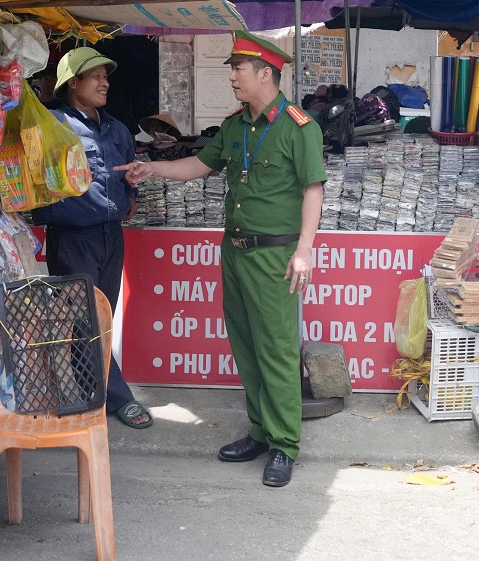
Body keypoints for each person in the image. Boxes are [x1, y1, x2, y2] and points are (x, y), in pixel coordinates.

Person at [116, 30, 326, 488]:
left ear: (265, 74)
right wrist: (152, 168)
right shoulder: (235, 126)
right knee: (247, 347)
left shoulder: (298, 126)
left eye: (238, 68)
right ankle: (259, 430)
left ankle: (284, 445)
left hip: (276, 256)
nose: (231, 76)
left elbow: (314, 190)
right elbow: (200, 165)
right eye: (231, 67)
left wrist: (305, 252)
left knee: (276, 348)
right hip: (234, 252)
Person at [36, 47, 152, 429]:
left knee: (102, 317)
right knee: (86, 320)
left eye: (106, 75)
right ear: (73, 83)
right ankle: (118, 398)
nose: (104, 82)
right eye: (95, 76)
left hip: (110, 235)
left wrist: (130, 193)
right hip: (71, 237)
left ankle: (89, 398)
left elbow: (126, 171)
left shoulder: (117, 128)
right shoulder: (51, 124)